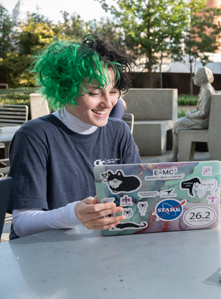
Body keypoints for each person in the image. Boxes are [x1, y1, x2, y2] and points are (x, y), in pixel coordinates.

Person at [7, 35, 141, 239]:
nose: (108, 103)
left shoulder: (119, 131)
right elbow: (22, 224)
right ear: (65, 90)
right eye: (95, 93)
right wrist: (74, 214)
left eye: (113, 91)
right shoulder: (34, 136)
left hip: (103, 252)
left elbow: (136, 197)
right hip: (45, 254)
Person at [168, 67, 215, 162]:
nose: (193, 78)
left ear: (202, 78)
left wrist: (189, 115)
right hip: (201, 120)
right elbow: (200, 109)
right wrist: (191, 113)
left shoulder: (206, 90)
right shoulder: (204, 88)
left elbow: (203, 113)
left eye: (196, 76)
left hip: (202, 122)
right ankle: (174, 155)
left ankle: (174, 156)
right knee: (178, 125)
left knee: (177, 124)